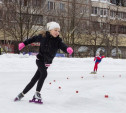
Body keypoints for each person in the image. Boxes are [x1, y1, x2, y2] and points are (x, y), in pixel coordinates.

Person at [14, 22, 73, 103]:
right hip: (40, 60)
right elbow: (33, 39)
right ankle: (37, 93)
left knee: (34, 79)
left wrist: (67, 49)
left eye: (58, 31)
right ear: (50, 30)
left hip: (47, 62)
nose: (57, 32)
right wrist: (24, 43)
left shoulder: (58, 41)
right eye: (55, 30)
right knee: (44, 74)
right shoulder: (43, 37)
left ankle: (21, 94)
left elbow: (63, 46)